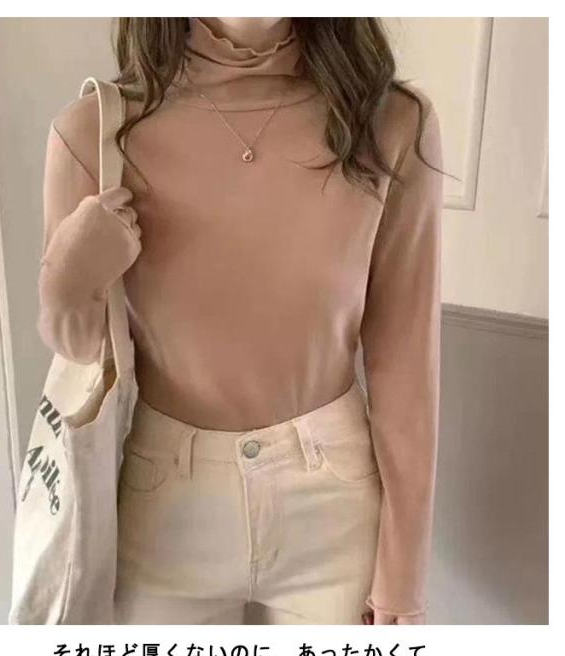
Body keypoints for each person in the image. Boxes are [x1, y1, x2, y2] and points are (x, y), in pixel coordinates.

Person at [37, 17, 444, 625]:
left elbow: (406, 365)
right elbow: (80, 348)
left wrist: (404, 576)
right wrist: (68, 275)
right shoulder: (94, 132)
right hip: (165, 505)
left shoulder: (390, 123)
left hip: (335, 505)